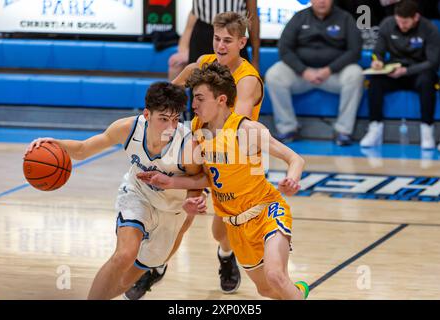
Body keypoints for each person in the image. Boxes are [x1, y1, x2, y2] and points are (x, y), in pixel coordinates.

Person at [125, 11, 264, 300]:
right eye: (216, 38)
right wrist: (157, 109)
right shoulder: (205, 63)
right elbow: (174, 87)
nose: (221, 46)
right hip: (201, 147)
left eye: (228, 40)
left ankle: (226, 255)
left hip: (236, 159)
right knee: (183, 217)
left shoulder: (248, 80)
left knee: (221, 230)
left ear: (242, 42)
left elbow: (233, 129)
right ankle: (156, 267)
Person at [140, 62, 309, 300]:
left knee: (276, 276)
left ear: (220, 100)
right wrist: (169, 182)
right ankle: (300, 292)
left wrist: (291, 181)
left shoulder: (246, 129)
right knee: (267, 290)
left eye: (199, 98)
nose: (194, 105)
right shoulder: (199, 130)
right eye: (193, 98)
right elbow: (206, 179)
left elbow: (295, 159)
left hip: (266, 211)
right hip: (235, 224)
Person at [25, 82, 204, 300]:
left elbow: (197, 182)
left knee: (127, 281)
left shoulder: (187, 145)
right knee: (124, 256)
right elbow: (83, 149)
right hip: (138, 194)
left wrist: (192, 202)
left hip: (171, 209)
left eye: (175, 119)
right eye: (163, 119)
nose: (170, 127)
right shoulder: (128, 128)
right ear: (147, 114)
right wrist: (55, 144)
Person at [265, 0, 364, 146]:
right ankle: (288, 128)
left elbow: (355, 51)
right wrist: (303, 70)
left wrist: (329, 69)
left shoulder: (345, 18)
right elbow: (284, 49)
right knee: (274, 75)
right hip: (302, 76)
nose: (322, 1)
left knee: (356, 74)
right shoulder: (299, 17)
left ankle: (343, 131)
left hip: (333, 75)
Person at [360, 0, 440, 149]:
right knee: (375, 81)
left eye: (405, 22)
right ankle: (374, 127)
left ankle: (427, 129)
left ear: (415, 17)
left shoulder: (429, 28)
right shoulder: (387, 24)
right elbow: (378, 52)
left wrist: (407, 71)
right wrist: (378, 62)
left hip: (418, 72)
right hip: (394, 71)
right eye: (399, 21)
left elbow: (433, 62)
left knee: (427, 80)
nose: (402, 25)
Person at [168, 0, 260, 81]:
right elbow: (194, 12)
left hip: (234, 32)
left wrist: (255, 60)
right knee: (199, 89)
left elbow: (253, 16)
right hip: (203, 33)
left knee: (234, 84)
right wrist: (184, 48)